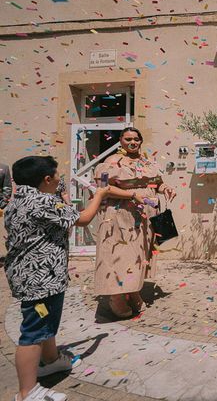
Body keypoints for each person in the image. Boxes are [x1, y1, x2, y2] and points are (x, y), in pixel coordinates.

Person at [3, 155, 131, 401]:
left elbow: (58, 203)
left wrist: (59, 190)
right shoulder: (43, 201)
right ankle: (27, 391)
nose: (61, 179)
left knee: (45, 321)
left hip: (27, 274)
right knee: (33, 332)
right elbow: (82, 219)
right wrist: (99, 196)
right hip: (41, 279)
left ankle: (51, 360)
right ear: (46, 179)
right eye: (57, 175)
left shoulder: (18, 198)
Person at [93, 127, 175, 318]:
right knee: (120, 255)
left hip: (145, 216)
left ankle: (132, 290)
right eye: (128, 139)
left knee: (139, 255)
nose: (132, 142)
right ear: (120, 140)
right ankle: (116, 296)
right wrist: (132, 194)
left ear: (140, 141)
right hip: (120, 216)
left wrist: (165, 188)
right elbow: (103, 188)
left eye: (136, 139)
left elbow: (156, 183)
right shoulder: (110, 163)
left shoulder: (146, 162)